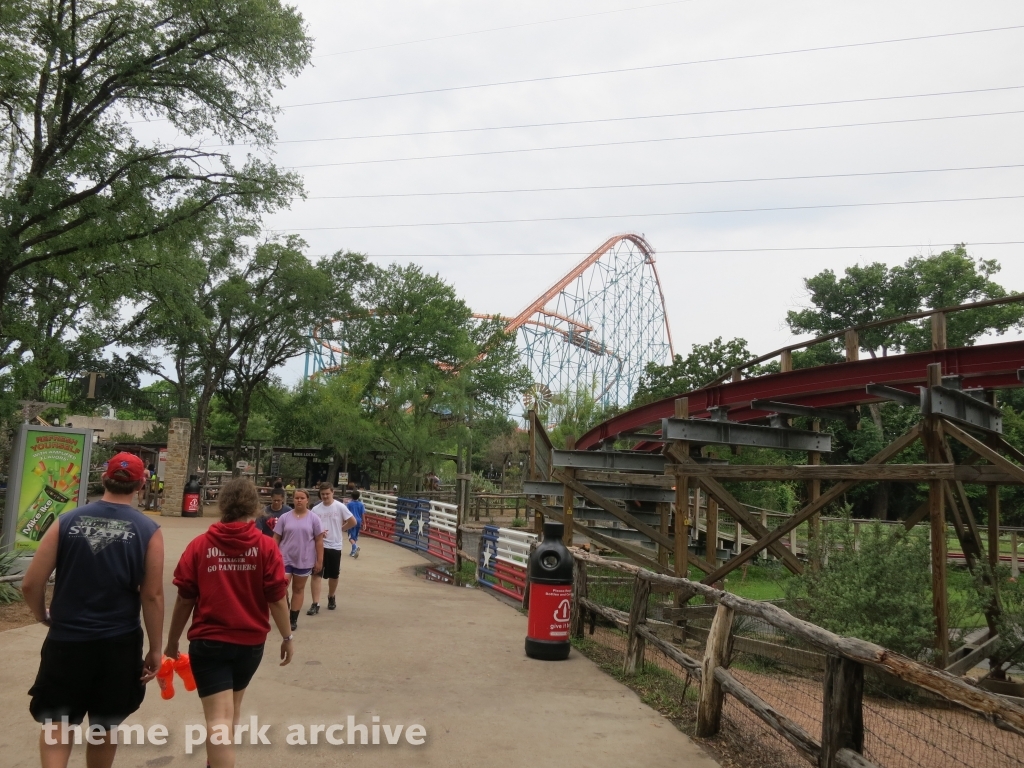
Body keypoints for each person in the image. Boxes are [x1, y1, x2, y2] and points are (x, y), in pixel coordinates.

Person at [21, 452, 164, 768]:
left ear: (104, 480)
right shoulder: (148, 530)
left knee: (57, 721)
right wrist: (156, 649)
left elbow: (31, 584)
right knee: (104, 725)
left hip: (67, 641)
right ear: (141, 485)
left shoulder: (67, 521)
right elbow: (152, 595)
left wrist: (42, 615)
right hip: (118, 644)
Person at [165, 478, 293, 768]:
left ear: (223, 505)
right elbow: (276, 598)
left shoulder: (200, 546)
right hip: (249, 645)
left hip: (209, 643)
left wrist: (172, 641)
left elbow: (185, 597)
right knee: (230, 712)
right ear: (254, 507)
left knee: (219, 719)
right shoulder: (265, 547)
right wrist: (287, 637)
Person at [274, 489, 324, 630]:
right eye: (296, 498)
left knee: (298, 588)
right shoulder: (285, 517)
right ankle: (286, 606)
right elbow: (276, 537)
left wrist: (319, 560)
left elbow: (319, 540)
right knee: (281, 587)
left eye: (302, 498)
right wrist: (273, 555)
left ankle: (293, 618)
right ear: (293, 499)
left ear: (307, 500)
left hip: (304, 559)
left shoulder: (314, 518)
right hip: (285, 558)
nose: (299, 500)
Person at [308, 483, 356, 613]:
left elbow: (353, 521)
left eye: (327, 494)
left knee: (334, 575)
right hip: (319, 545)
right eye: (322, 494)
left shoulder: (340, 507)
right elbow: (309, 525)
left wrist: (341, 529)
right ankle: (315, 603)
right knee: (316, 573)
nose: (325, 496)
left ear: (332, 492)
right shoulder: (316, 509)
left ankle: (331, 596)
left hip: (334, 545)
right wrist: (317, 533)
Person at [347, 489, 365, 558]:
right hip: (359, 521)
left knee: (350, 537)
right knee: (355, 537)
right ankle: (353, 551)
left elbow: (347, 513)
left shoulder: (349, 504)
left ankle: (355, 547)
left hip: (352, 521)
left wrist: (345, 521)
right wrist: (364, 523)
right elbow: (363, 514)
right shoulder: (361, 504)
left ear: (351, 496)